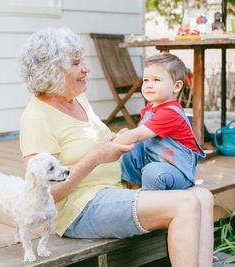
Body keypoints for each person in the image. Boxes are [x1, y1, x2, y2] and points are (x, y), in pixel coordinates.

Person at [18, 27, 214, 267]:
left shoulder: (76, 98)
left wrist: (114, 139)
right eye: (77, 64)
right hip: (80, 208)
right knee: (185, 204)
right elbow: (41, 194)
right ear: (53, 71)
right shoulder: (37, 117)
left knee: (203, 196)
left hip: (116, 190)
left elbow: (90, 140)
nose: (86, 69)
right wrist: (95, 158)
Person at [113, 53, 205, 191]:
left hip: (177, 171)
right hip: (154, 161)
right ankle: (135, 187)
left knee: (152, 171)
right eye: (146, 80)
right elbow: (139, 138)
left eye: (156, 80)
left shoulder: (170, 113)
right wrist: (125, 136)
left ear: (176, 86)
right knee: (129, 148)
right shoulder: (150, 108)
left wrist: (110, 142)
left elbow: (137, 135)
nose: (149, 85)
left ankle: (150, 200)